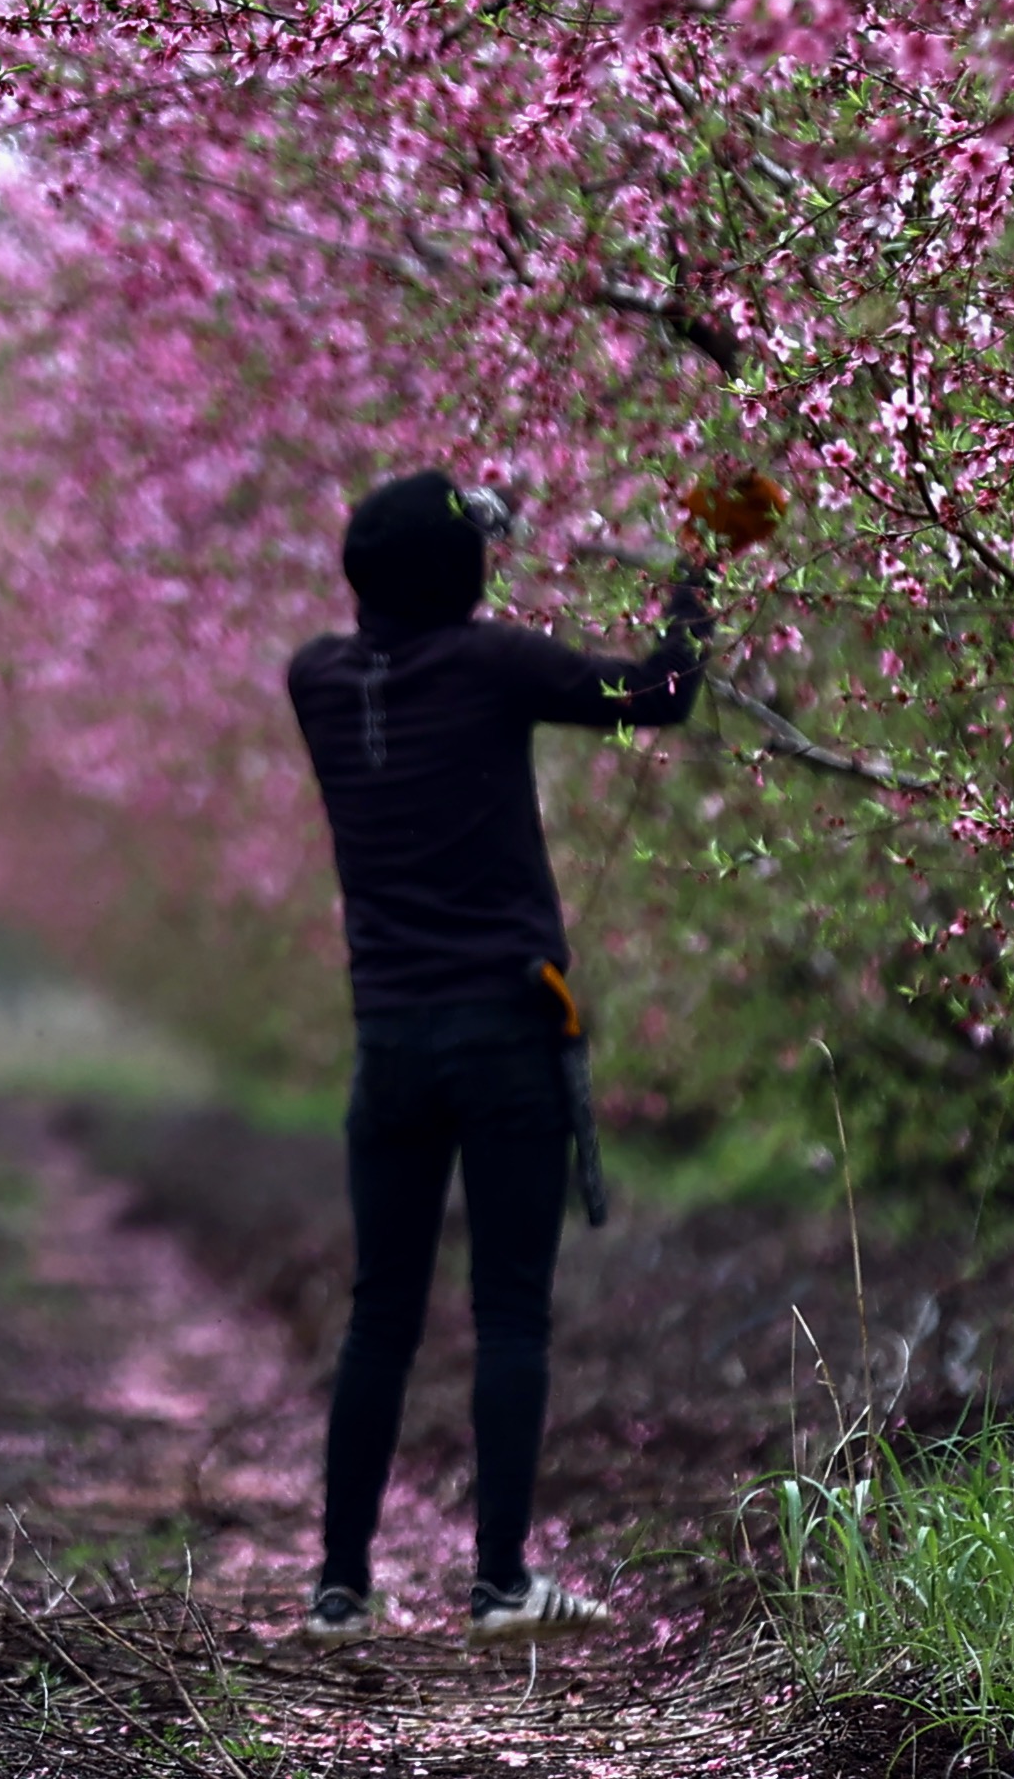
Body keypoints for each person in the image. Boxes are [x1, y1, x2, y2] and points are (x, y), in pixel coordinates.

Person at [285, 465, 725, 1644]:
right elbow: (662, 693)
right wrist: (704, 566)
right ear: (461, 573)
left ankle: (341, 1588)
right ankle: (498, 1584)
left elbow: (412, 609)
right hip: (506, 1032)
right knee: (511, 1311)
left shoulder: (316, 680)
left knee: (382, 1312)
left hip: (390, 1042)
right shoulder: (491, 664)